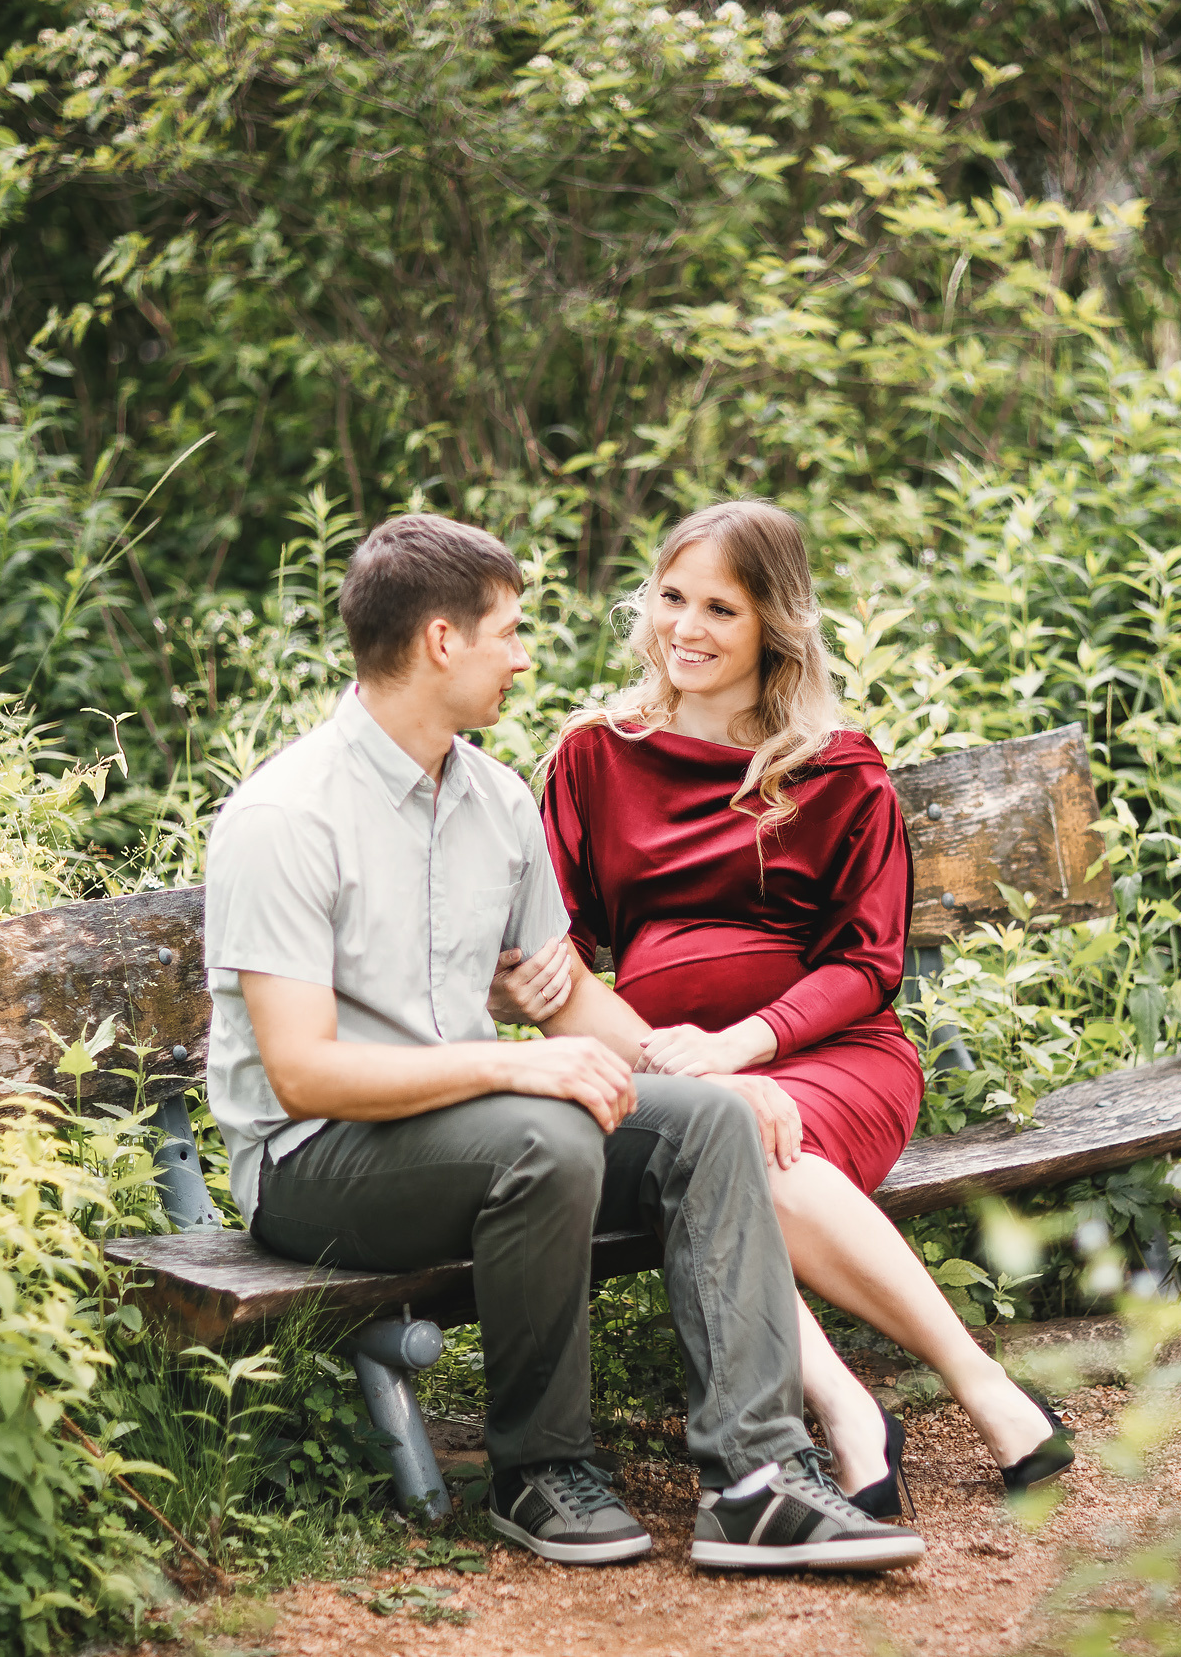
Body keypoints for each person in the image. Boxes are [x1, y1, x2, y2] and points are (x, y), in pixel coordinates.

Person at [203, 511, 924, 1573]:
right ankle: (539, 1468)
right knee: (550, 1134)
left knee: (710, 1124)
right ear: (442, 641)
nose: (526, 655)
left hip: (467, 1127)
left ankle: (759, 1478)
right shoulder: (287, 817)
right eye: (508, 631)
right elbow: (303, 1069)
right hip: (315, 1160)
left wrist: (709, 1072)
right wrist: (515, 1063)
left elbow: (572, 1003)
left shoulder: (495, 800)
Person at [494, 500, 1073, 1517]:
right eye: (672, 598)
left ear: (775, 624)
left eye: (720, 607)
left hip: (834, 1055)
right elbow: (561, 942)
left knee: (759, 1153)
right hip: (662, 1062)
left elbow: (867, 962)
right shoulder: (594, 756)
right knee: (722, 1148)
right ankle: (858, 1411)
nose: (686, 628)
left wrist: (737, 1047)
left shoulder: (837, 769)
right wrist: (527, 983)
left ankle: (967, 1384)